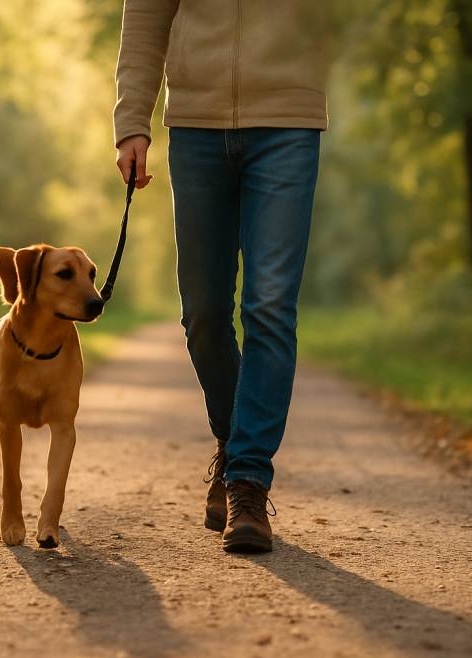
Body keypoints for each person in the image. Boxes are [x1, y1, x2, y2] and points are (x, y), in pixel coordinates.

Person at [113, 0, 332, 553]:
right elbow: (144, 18)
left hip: (289, 121)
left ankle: (248, 482)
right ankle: (235, 441)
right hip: (195, 125)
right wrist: (132, 122)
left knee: (270, 304)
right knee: (204, 314)